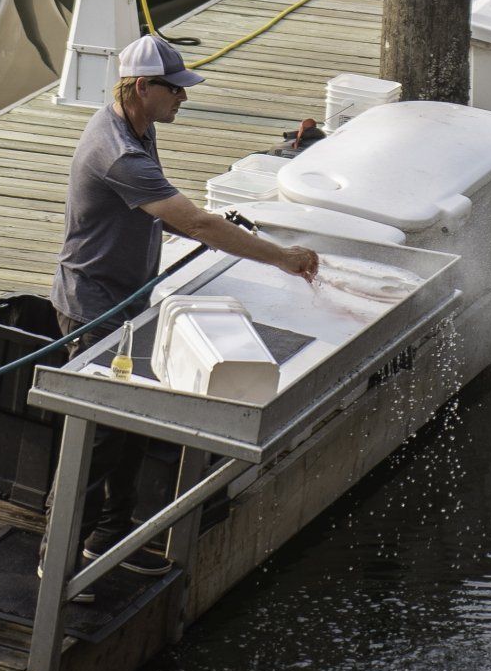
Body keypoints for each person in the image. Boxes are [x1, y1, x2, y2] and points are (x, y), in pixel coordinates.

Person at [52, 32, 320, 570]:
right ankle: (56, 556)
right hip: (92, 307)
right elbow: (196, 223)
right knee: (97, 440)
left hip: (127, 300)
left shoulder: (138, 125)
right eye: (175, 89)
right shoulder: (121, 153)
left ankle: (108, 537)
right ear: (142, 87)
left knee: (130, 424)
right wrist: (282, 258)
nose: (185, 98)